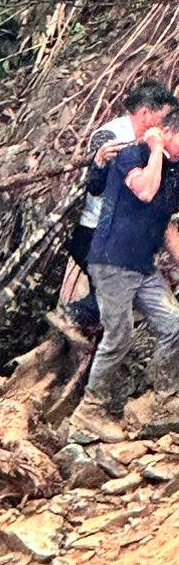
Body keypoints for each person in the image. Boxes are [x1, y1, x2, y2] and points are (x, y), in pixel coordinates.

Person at [68, 112, 179, 443]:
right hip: (112, 261)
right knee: (118, 335)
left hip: (142, 266)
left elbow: (169, 227)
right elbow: (145, 190)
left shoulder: (174, 173)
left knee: (174, 325)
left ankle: (164, 398)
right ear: (168, 131)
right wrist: (156, 147)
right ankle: (88, 413)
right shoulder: (131, 155)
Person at [64, 80, 177, 327]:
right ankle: (73, 319)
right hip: (96, 234)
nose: (166, 125)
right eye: (164, 117)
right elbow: (103, 183)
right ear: (146, 112)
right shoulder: (112, 136)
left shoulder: (149, 146)